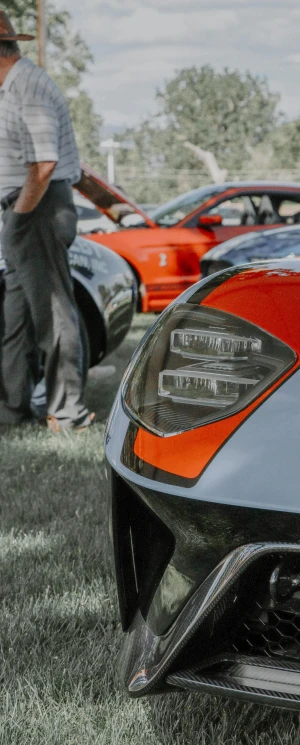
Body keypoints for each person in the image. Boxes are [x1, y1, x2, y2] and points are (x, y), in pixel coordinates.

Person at [0, 11, 93, 431]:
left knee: (54, 314)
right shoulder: (9, 88)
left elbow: (44, 162)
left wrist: (19, 216)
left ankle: (67, 412)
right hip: (20, 208)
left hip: (38, 209)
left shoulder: (31, 86)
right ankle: (13, 410)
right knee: (16, 319)